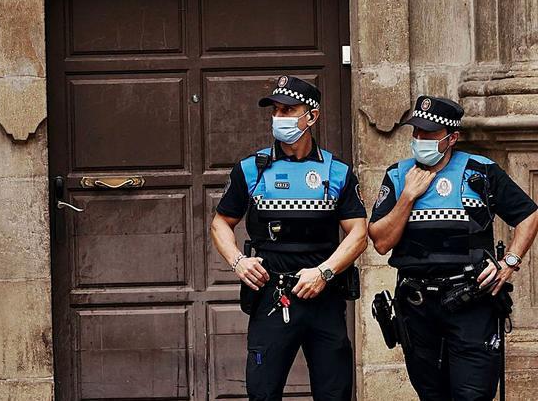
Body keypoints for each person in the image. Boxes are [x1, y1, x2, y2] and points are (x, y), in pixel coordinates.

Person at [369, 95, 538, 401]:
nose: (420, 139)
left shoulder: (481, 171)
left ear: (452, 138)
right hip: (417, 305)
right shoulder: (398, 174)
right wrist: (408, 196)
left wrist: (509, 262)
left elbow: (529, 215)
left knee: (472, 394)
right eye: (416, 132)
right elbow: (380, 242)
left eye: (429, 134)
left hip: (470, 302)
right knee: (431, 394)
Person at [210, 75, 367, 401]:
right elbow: (220, 223)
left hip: (323, 296)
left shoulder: (336, 172)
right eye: (276, 111)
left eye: (288, 110)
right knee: (262, 392)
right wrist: (238, 261)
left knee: (335, 392)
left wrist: (325, 272)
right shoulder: (251, 169)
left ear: (311, 116)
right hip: (271, 295)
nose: (279, 118)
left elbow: (359, 233)